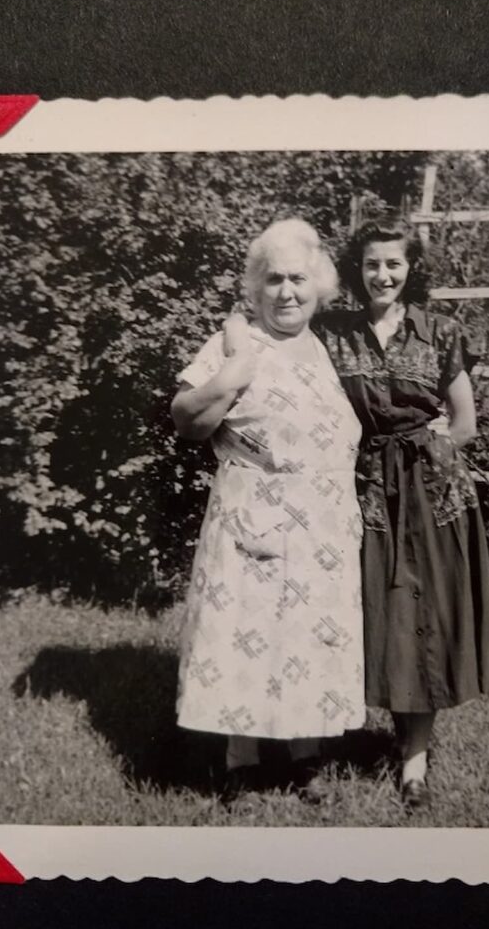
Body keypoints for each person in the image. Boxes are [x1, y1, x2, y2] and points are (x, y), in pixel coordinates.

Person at [171, 218, 365, 798]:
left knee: (309, 634)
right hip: (252, 508)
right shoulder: (236, 341)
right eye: (274, 279)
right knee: (244, 628)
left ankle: (306, 754)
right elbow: (186, 420)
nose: (287, 291)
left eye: (299, 279)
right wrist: (232, 374)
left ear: (320, 287)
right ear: (256, 288)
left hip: (323, 519)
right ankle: (240, 760)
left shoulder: (328, 348)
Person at [315, 218, 489, 808]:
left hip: (432, 494)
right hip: (365, 487)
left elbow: (466, 422)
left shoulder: (440, 331)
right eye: (372, 263)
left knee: (423, 618)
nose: (383, 275)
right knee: (372, 611)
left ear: (410, 268)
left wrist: (431, 456)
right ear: (358, 268)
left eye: (394, 263)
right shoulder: (333, 333)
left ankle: (414, 766)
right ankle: (313, 745)